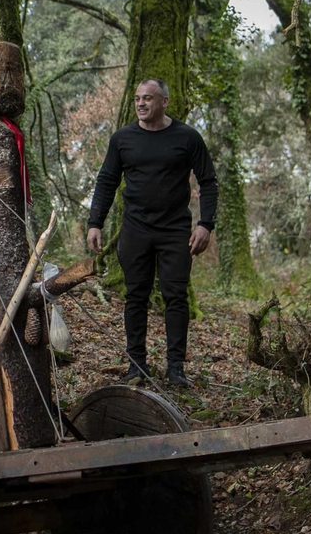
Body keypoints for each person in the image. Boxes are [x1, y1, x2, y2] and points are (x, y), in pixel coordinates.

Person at [86, 78, 219, 386]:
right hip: (136, 228)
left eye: (148, 98)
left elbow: (208, 181)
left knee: (175, 297)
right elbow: (106, 181)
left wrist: (205, 224)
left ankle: (176, 368)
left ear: (164, 102)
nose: (141, 103)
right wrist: (95, 222)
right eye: (137, 98)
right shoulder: (123, 139)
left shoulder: (187, 137)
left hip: (175, 229)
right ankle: (137, 365)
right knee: (136, 296)